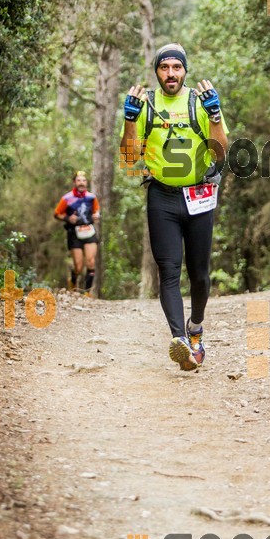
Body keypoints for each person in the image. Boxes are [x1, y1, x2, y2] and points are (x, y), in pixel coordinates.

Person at [120, 42, 229, 370]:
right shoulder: (146, 104)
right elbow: (128, 157)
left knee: (199, 275)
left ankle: (195, 329)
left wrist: (214, 115)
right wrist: (129, 119)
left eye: (176, 68)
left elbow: (221, 153)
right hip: (162, 196)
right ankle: (180, 340)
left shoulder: (199, 101)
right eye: (165, 68)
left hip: (198, 196)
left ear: (185, 71)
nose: (171, 74)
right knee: (168, 270)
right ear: (156, 71)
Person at [54, 171, 100, 295]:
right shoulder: (67, 198)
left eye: (84, 180)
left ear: (87, 183)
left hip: (89, 230)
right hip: (74, 233)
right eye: (79, 180)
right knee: (78, 266)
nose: (81, 183)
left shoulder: (91, 197)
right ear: (74, 182)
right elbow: (57, 213)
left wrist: (96, 215)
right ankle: (73, 283)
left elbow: (96, 211)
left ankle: (87, 292)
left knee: (91, 261)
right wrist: (68, 218)